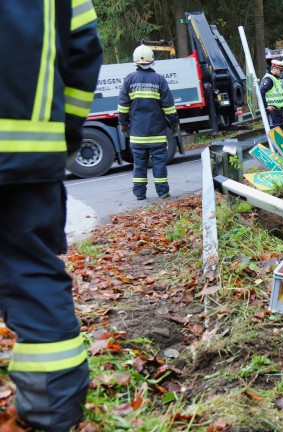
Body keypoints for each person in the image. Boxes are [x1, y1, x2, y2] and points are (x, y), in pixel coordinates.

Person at [0, 1, 103, 431]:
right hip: (28, 153)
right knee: (32, 275)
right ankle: (54, 414)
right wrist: (64, 138)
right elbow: (83, 49)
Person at [118, 45, 179, 201]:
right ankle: (163, 192)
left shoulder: (129, 80)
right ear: (152, 61)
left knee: (139, 164)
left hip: (137, 134)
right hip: (157, 133)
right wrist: (174, 124)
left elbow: (123, 106)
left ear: (136, 62)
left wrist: (123, 124)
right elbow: (169, 106)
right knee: (159, 163)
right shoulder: (159, 80)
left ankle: (139, 193)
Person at [259, 59, 283, 128]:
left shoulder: (276, 79)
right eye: (280, 70)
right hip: (273, 114)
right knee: (275, 135)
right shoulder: (269, 79)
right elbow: (260, 91)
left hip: (279, 113)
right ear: (274, 68)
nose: (282, 73)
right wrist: (266, 106)